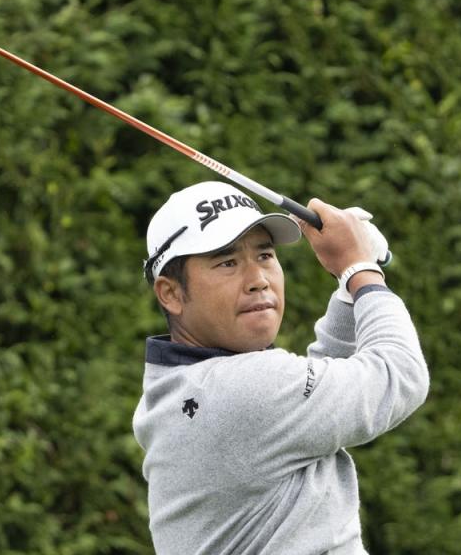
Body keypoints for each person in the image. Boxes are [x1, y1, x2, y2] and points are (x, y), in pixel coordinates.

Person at [132, 180, 429, 554]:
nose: (257, 280)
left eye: (265, 255)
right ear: (171, 293)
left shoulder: (178, 389)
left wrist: (348, 288)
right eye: (227, 262)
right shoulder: (244, 390)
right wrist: (361, 270)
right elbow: (399, 375)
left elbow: (311, 397)